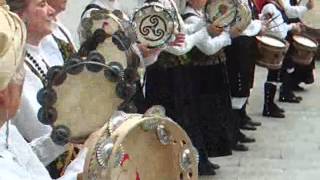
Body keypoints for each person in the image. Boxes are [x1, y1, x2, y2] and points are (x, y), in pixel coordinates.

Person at [0, 1, 86, 179]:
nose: (52, 10)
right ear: (3, 96)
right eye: (19, 73)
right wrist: (85, 163)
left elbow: (28, 159)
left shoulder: (5, 130)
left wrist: (62, 137)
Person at [259, 0, 303, 118]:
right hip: (273, 46)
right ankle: (268, 106)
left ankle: (271, 104)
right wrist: (291, 27)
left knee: (276, 74)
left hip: (279, 44)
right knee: (273, 75)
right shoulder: (269, 7)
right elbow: (276, 30)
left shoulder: (277, 6)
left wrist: (291, 26)